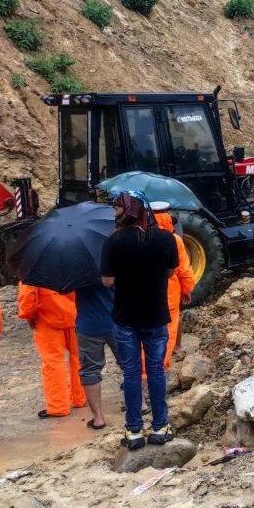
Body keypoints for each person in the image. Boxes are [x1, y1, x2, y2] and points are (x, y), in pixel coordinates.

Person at [101, 191, 179, 450]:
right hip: (156, 316)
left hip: (125, 318)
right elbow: (170, 272)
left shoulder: (114, 242)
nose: (114, 212)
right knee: (156, 370)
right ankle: (160, 427)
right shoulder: (167, 239)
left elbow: (108, 281)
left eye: (117, 208)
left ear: (128, 210)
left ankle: (134, 431)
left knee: (132, 373)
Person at [17, 283, 86, 419]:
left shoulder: (33, 265)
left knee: (53, 362)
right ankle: (80, 397)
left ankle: (58, 406)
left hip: (47, 319)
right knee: (79, 357)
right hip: (75, 315)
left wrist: (28, 315)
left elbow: (27, 293)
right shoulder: (74, 261)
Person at [148, 201, 195, 372]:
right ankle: (161, 367)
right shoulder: (174, 240)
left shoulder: (139, 237)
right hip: (168, 293)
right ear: (168, 218)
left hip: (143, 294)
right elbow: (184, 268)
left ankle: (146, 368)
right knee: (168, 330)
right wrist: (187, 289)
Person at [74, 283, 115, 430]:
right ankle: (140, 404)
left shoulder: (75, 267)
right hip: (115, 321)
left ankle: (98, 418)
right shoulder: (111, 262)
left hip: (88, 326)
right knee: (128, 364)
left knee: (90, 370)